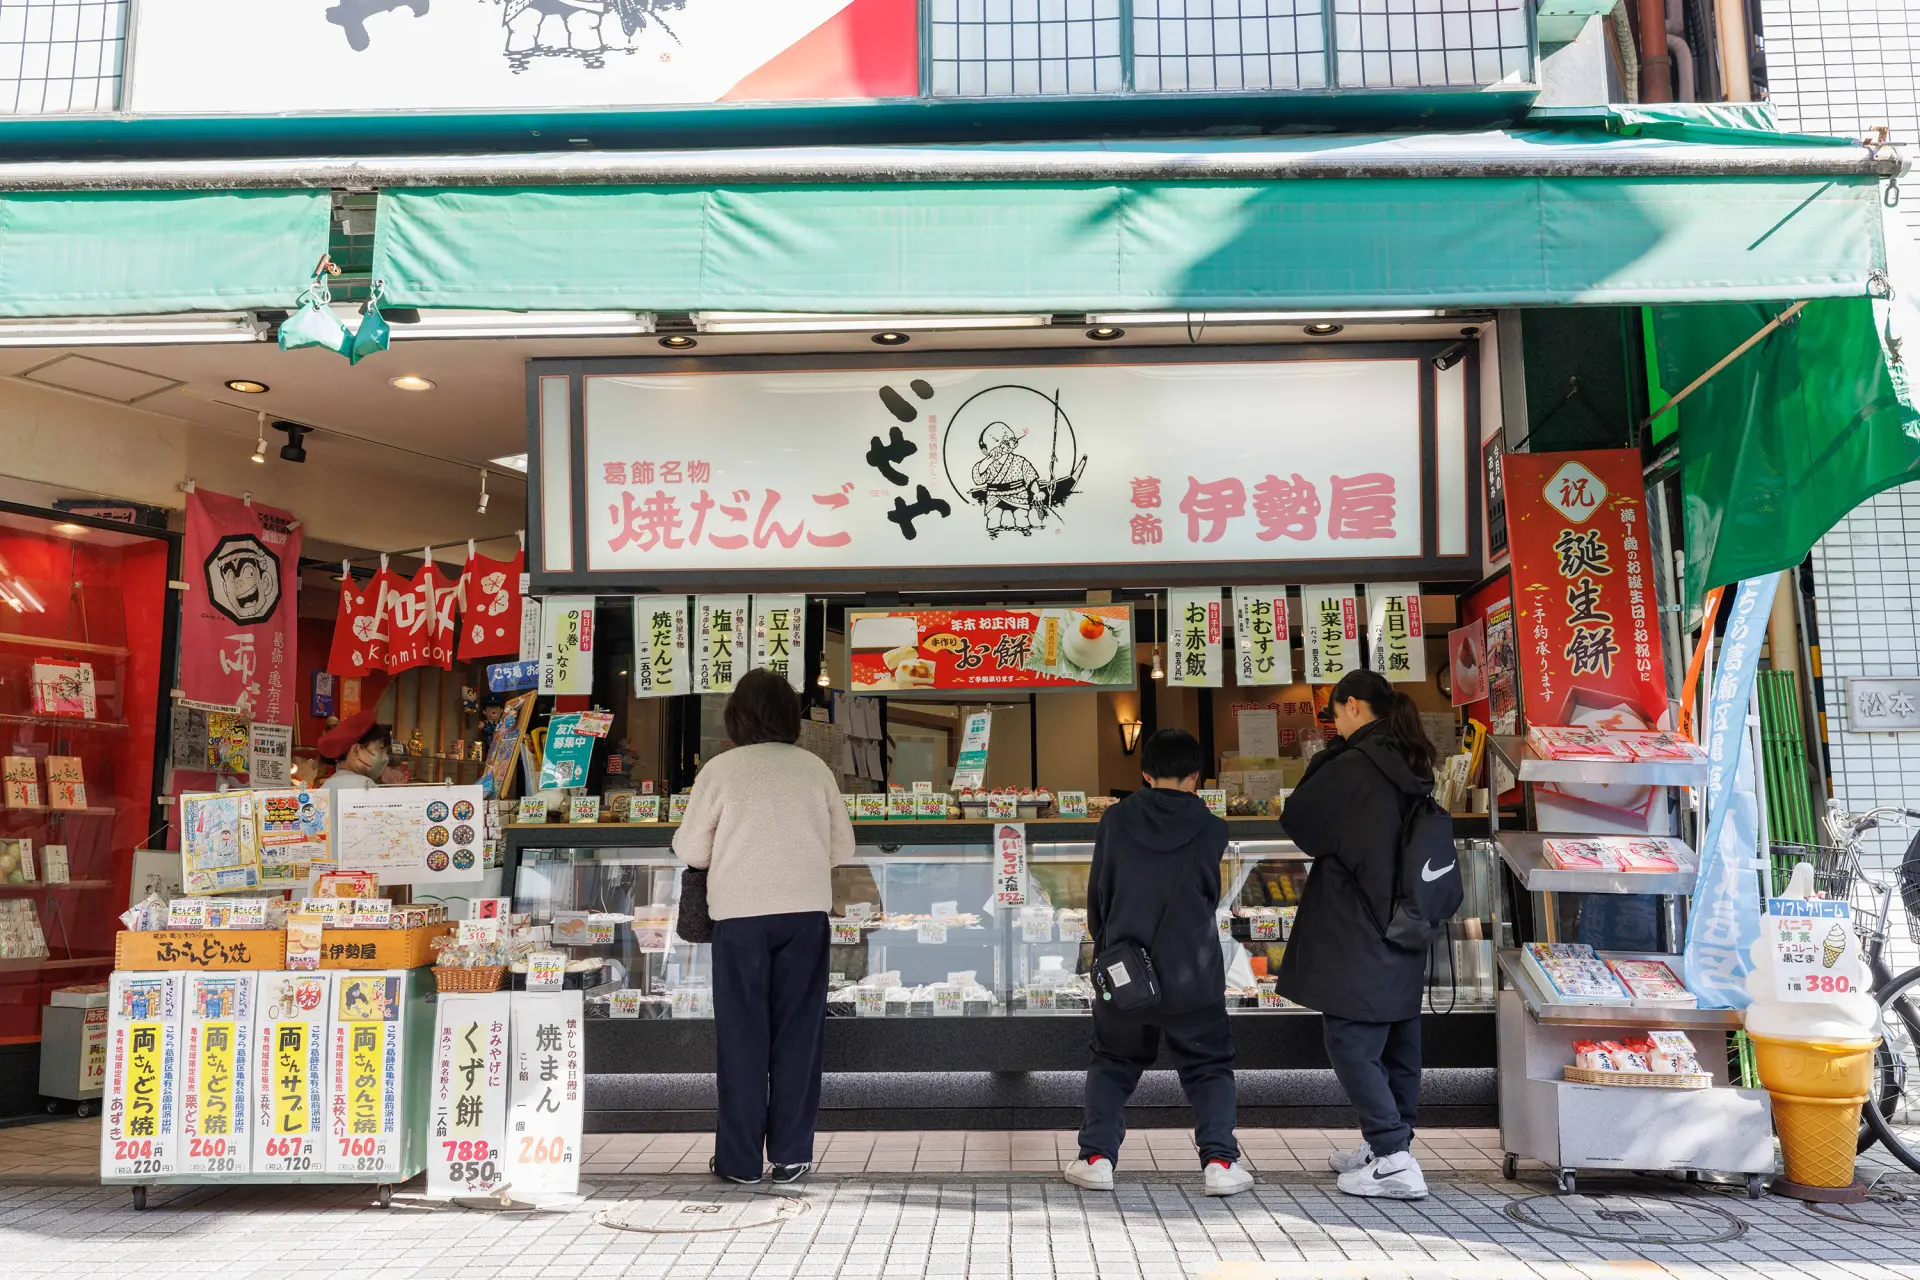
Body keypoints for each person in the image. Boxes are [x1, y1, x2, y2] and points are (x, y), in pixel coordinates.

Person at [674, 669, 854, 1186]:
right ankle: (792, 1155)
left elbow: (691, 850)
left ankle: (739, 1161)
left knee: (742, 1039)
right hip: (804, 915)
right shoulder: (814, 768)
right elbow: (843, 849)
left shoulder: (722, 770)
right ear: (791, 716)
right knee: (799, 1036)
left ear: (737, 715)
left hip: (739, 919)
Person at [1067, 727, 1254, 1198]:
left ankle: (1095, 1158)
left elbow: (1099, 899)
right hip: (1192, 970)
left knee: (1113, 1060)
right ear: (1197, 776)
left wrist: (1108, 943)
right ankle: (1219, 1163)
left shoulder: (1114, 820)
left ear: (1145, 773)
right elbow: (1209, 895)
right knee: (1208, 1065)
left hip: (1125, 970)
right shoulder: (1213, 828)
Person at [1279, 669, 1439, 1200]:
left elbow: (1299, 821)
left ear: (1351, 707)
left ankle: (1393, 1157)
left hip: (1359, 919)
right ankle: (1390, 1146)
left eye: (1334, 710)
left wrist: (1326, 756)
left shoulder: (1353, 766)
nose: (1333, 720)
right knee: (1397, 1039)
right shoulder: (1412, 759)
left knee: (1349, 1038)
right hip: (1407, 919)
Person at [317, 711, 391, 791]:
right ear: (356, 751)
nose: (385, 757)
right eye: (380, 748)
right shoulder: (366, 786)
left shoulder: (327, 784)